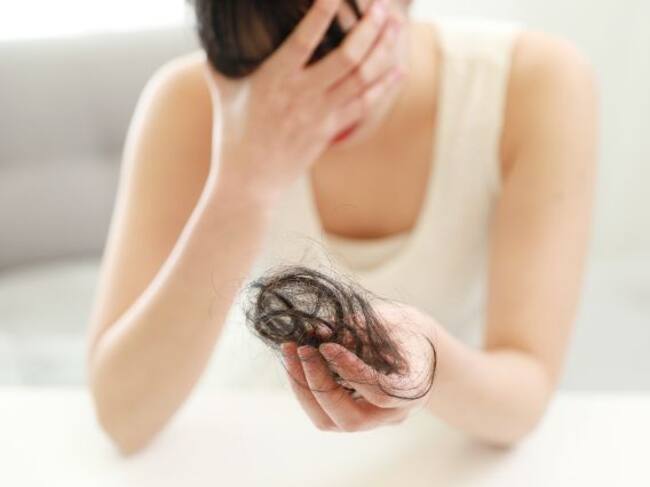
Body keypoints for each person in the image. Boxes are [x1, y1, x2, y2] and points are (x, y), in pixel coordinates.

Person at [85, 0, 599, 455]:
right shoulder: (191, 102)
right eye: (262, 62)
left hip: (440, 451)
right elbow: (122, 417)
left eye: (329, 43)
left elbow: (524, 397)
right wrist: (243, 184)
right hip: (240, 443)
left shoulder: (532, 84)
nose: (300, 95)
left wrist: (429, 361)